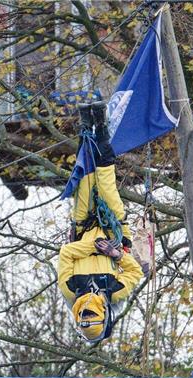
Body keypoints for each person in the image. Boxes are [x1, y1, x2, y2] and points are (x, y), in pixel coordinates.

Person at [58, 102, 144, 344]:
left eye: (83, 313)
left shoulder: (70, 288)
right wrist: (116, 254)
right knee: (105, 178)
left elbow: (66, 254)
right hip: (113, 228)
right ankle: (101, 125)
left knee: (85, 177)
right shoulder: (115, 292)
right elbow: (135, 271)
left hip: (83, 227)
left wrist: (93, 247)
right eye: (91, 313)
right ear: (103, 315)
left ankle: (86, 125)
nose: (86, 307)